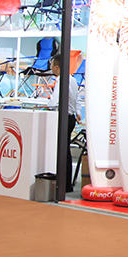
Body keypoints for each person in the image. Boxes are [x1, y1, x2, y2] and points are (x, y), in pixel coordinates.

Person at [48, 54, 81, 193]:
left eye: (52, 66)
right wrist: (78, 112)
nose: (51, 68)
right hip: (71, 117)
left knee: (62, 151)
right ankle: (67, 183)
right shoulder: (73, 80)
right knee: (65, 150)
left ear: (56, 67)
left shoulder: (61, 80)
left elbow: (54, 102)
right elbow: (77, 99)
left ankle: (64, 184)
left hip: (63, 118)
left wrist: (48, 105)